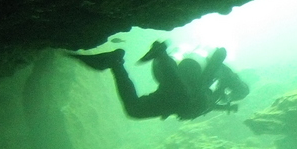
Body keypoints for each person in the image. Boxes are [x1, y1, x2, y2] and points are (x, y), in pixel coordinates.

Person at [71, 40, 249, 121]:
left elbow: (204, 103)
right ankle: (161, 53)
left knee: (135, 110)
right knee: (183, 92)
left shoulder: (217, 97)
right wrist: (228, 93)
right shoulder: (223, 75)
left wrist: (224, 105)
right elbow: (221, 68)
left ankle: (115, 62)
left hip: (176, 99)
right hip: (186, 81)